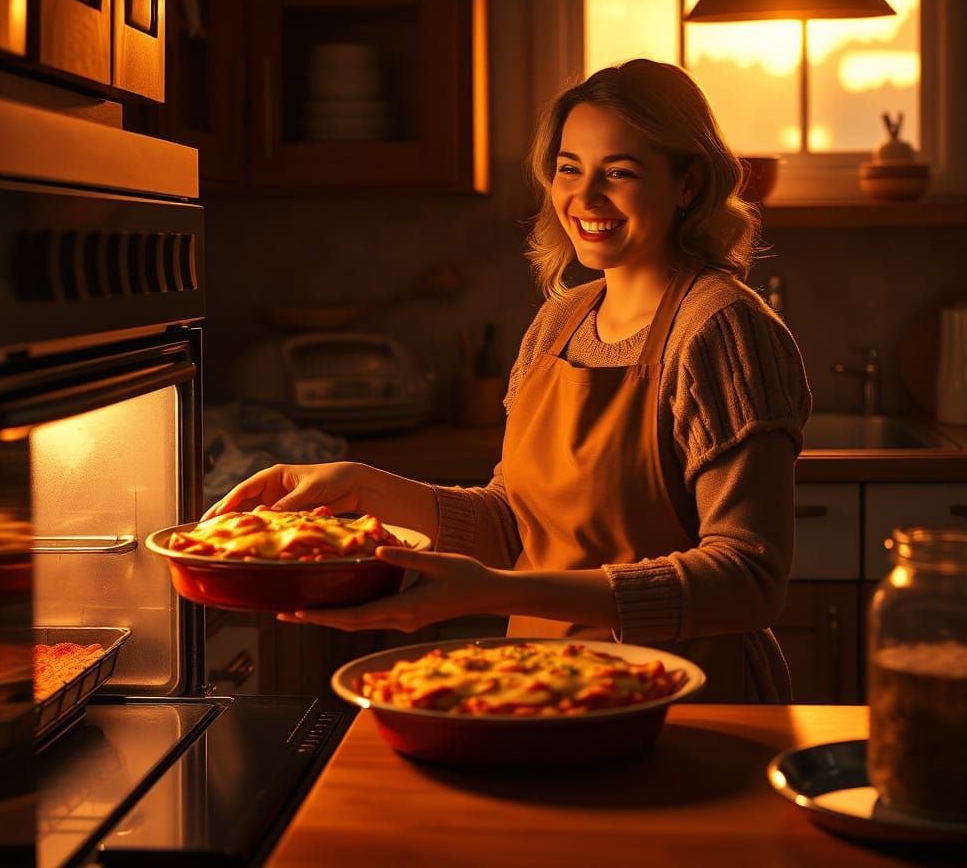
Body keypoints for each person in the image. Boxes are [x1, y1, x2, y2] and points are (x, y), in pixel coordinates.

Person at [204, 59, 812, 703]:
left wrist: (494, 590)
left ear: (687, 184)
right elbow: (515, 524)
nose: (585, 197)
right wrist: (362, 486)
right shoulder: (561, 321)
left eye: (621, 172)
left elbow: (750, 579)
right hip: (549, 690)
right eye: (569, 167)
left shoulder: (721, 327)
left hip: (687, 706)